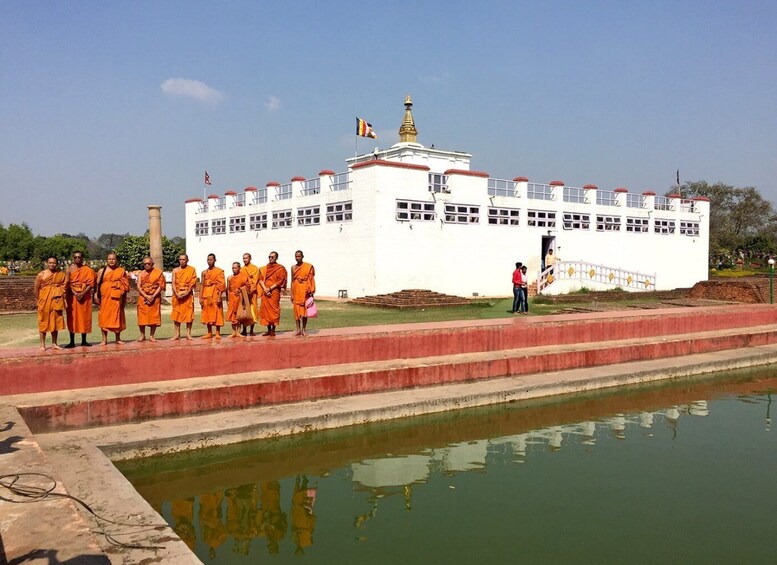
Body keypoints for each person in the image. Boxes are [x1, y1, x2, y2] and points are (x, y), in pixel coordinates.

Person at [94, 252, 129, 345]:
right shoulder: (102, 271)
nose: (111, 261)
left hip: (118, 297)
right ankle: (104, 339)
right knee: (104, 317)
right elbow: (97, 284)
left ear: (116, 260)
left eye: (113, 259)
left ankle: (118, 338)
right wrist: (96, 294)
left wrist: (124, 297)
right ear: (107, 260)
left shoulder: (121, 270)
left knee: (117, 316)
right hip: (105, 297)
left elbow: (125, 285)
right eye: (109, 259)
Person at [34, 256, 68, 350]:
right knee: (43, 322)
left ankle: (54, 343)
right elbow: (36, 289)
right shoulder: (41, 274)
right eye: (50, 262)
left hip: (56, 300)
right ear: (47, 263)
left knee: (55, 322)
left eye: (54, 263)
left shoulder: (61, 274)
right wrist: (39, 300)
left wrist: (57, 291)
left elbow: (64, 286)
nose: (52, 264)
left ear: (56, 264)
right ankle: (42, 345)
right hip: (44, 300)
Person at [65, 251, 95, 348]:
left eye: (79, 257)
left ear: (82, 258)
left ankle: (84, 340)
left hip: (84, 296)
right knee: (72, 318)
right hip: (72, 297)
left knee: (84, 317)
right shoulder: (69, 270)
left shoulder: (87, 270)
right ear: (73, 258)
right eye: (75, 257)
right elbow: (67, 284)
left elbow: (91, 284)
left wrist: (82, 293)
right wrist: (75, 293)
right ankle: (72, 341)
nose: (77, 259)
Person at [136, 256, 165, 342]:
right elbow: (138, 286)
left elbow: (161, 286)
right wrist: (146, 296)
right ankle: (142, 335)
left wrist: (152, 296)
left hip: (154, 297)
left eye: (149, 263)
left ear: (152, 264)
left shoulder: (158, 273)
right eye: (145, 264)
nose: (147, 265)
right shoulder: (141, 274)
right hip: (143, 297)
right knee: (142, 317)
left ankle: (152, 335)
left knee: (154, 316)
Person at [259, 251, 287, 337]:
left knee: (274, 310)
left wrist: (270, 289)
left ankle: (273, 330)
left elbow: (280, 281)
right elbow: (260, 279)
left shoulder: (280, 268)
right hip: (265, 290)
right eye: (269, 257)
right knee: (265, 311)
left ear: (276, 258)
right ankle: (268, 330)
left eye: (272, 257)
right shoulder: (264, 268)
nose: (270, 258)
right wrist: (265, 289)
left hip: (274, 291)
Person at [200, 253, 226, 339]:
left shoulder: (219, 271)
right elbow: (201, 285)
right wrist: (200, 297)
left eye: (211, 259)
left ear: (215, 260)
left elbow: (221, 285)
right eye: (208, 259)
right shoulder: (204, 272)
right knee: (207, 313)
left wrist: (219, 296)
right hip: (206, 293)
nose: (209, 261)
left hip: (215, 293)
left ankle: (218, 333)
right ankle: (209, 332)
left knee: (217, 312)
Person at [172, 254, 197, 340]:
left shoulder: (192, 269)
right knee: (176, 314)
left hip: (188, 294)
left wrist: (186, 293)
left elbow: (193, 282)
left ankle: (188, 334)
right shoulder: (175, 270)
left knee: (189, 314)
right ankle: (177, 334)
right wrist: (176, 293)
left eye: (184, 259)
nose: (182, 261)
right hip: (177, 295)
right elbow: (173, 283)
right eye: (180, 259)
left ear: (187, 260)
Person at [290, 250, 316, 336]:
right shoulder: (293, 267)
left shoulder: (308, 267)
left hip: (305, 290)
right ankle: (297, 329)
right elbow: (292, 281)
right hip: (296, 290)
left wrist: (311, 292)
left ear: (302, 256)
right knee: (296, 311)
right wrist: (291, 294)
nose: (297, 258)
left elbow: (311, 279)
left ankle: (304, 329)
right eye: (296, 256)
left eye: (299, 256)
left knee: (305, 312)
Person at [227, 261, 251, 338]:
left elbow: (248, 287)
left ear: (239, 268)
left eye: (235, 268)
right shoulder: (229, 278)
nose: (234, 269)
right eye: (232, 268)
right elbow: (228, 289)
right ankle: (233, 332)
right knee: (232, 315)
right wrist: (227, 299)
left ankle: (238, 332)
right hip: (232, 297)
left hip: (240, 297)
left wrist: (241, 289)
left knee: (239, 314)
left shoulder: (243, 276)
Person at [240, 253, 260, 336]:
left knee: (252, 311)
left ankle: (251, 330)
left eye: (246, 258)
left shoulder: (254, 268)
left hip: (252, 293)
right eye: (243, 258)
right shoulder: (241, 269)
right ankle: (244, 330)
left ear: (250, 258)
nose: (245, 260)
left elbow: (255, 281)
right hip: (244, 293)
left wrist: (251, 290)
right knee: (244, 311)